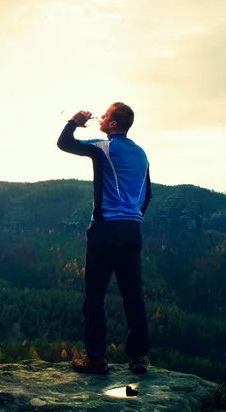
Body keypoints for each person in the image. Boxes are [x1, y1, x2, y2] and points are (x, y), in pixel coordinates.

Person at [56, 102, 152, 374]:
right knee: (133, 295)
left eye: (105, 115)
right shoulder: (141, 154)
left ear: (112, 124)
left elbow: (64, 143)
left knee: (95, 294)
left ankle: (95, 357)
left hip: (106, 228)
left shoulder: (103, 147)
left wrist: (74, 121)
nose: (101, 117)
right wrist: (134, 215)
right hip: (133, 229)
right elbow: (147, 194)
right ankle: (139, 357)